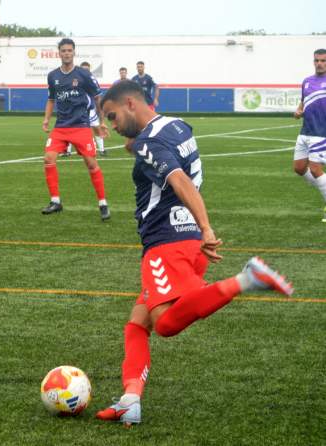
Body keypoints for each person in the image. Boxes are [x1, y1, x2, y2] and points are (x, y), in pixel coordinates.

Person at [96, 80, 293, 426]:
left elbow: (179, 180)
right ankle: (130, 400)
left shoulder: (149, 142)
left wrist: (207, 227)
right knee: (138, 323)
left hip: (166, 243)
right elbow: (155, 154)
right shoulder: (176, 126)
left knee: (164, 324)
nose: (112, 126)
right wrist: (135, 144)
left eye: (112, 117)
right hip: (188, 243)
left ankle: (247, 279)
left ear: (130, 103)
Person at [41, 38, 110, 221]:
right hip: (61, 127)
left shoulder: (84, 75)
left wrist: (101, 121)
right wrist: (47, 119)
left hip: (81, 127)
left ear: (74, 52)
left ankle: (103, 203)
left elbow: (98, 98)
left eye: (69, 50)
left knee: (91, 163)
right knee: (48, 158)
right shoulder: (53, 76)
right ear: (59, 53)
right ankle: (55, 201)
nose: (66, 53)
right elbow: (51, 99)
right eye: (63, 50)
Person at [293, 48, 326, 222]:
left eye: (323, 61)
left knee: (315, 170)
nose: (319, 64)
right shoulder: (307, 81)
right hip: (305, 131)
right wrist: (298, 111)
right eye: (317, 60)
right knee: (299, 168)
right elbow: (303, 102)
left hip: (321, 133)